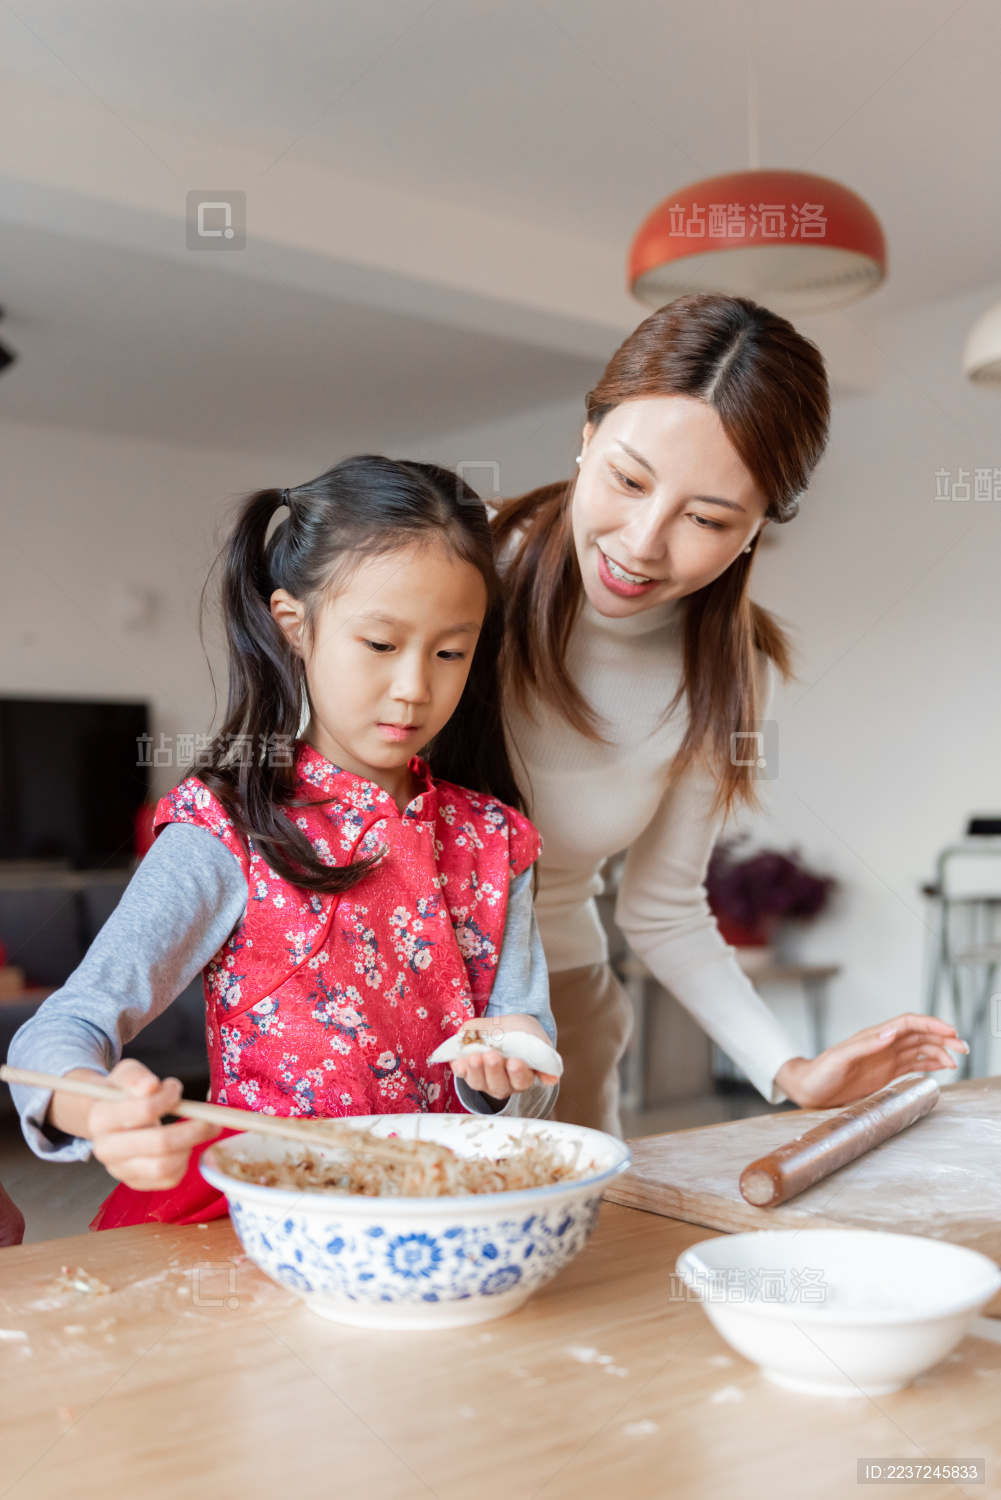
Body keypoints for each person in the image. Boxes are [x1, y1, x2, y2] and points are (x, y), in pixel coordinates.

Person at [9, 457, 558, 1226]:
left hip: (441, 1206)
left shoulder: (494, 838)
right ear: (293, 625)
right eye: (379, 643)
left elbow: (529, 1058)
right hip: (268, 1209)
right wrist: (97, 1110)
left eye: (448, 652)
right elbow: (65, 1026)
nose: (414, 686)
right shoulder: (226, 829)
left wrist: (507, 1064)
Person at [494, 294, 965, 1134]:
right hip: (359, 995)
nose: (642, 541)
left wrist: (789, 1070)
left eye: (706, 519)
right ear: (585, 435)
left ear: (754, 531)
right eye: (627, 480)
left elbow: (661, 908)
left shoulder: (732, 673)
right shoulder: (460, 572)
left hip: (560, 1016)